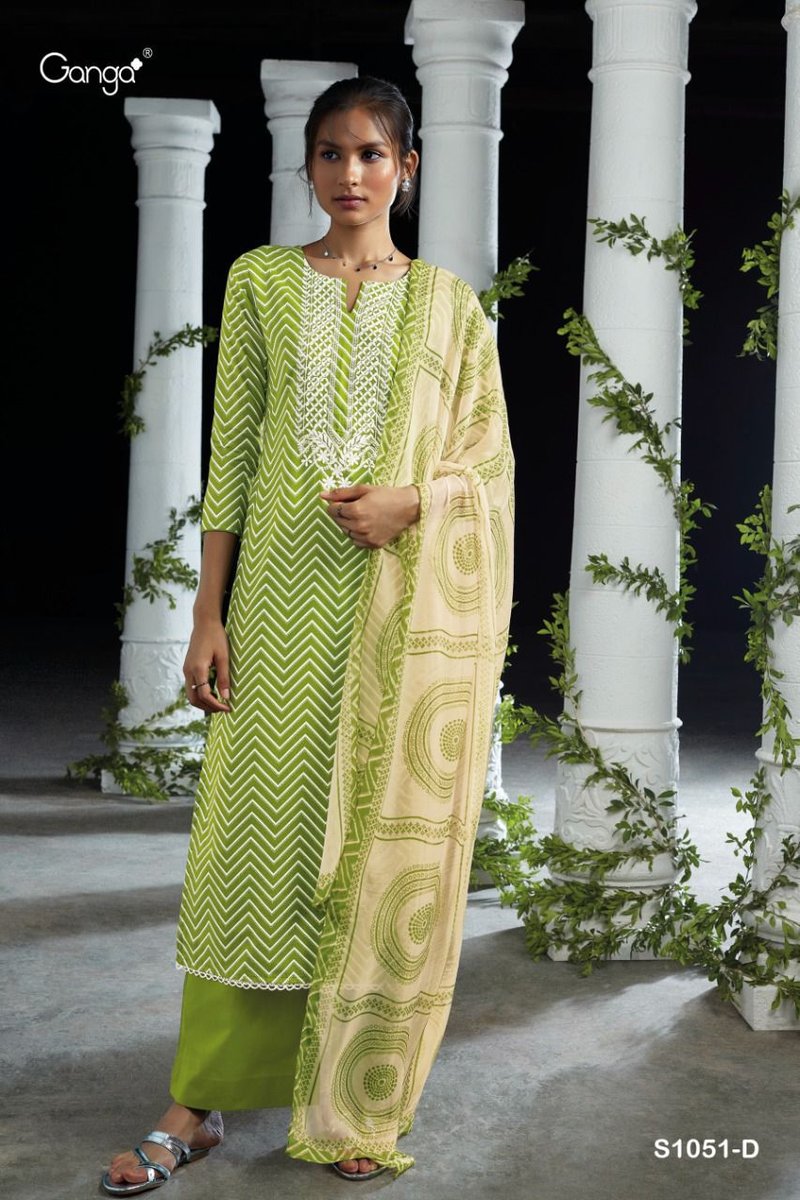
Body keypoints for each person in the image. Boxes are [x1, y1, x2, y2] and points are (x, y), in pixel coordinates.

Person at [102, 74, 514, 1194]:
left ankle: (355, 1101)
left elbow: (486, 467)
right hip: (278, 609)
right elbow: (233, 452)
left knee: (370, 854)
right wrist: (207, 615)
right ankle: (196, 1105)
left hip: (393, 622)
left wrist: (414, 503)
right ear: (309, 166)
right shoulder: (261, 282)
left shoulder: (449, 308)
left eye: (372, 154)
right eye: (330, 153)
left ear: (406, 169)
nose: (349, 174)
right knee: (253, 845)